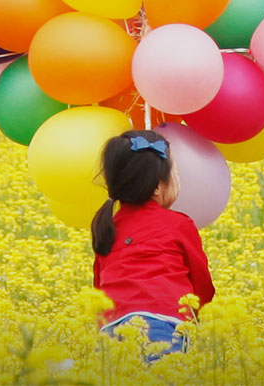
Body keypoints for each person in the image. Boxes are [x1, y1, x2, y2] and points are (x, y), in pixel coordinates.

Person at [92, 131, 214, 363]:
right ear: (157, 186)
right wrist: (205, 318)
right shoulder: (178, 224)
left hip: (111, 331)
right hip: (163, 326)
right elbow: (201, 286)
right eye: (175, 173)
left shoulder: (107, 228)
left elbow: (99, 289)